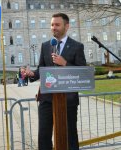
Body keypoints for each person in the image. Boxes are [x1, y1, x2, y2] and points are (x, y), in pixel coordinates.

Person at [26, 13, 86, 150]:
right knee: (44, 136)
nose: (54, 27)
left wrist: (65, 63)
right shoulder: (46, 45)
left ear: (67, 26)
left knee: (70, 135)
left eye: (57, 24)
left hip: (68, 100)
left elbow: (82, 73)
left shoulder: (77, 46)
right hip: (46, 98)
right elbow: (41, 69)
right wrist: (31, 74)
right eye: (52, 25)